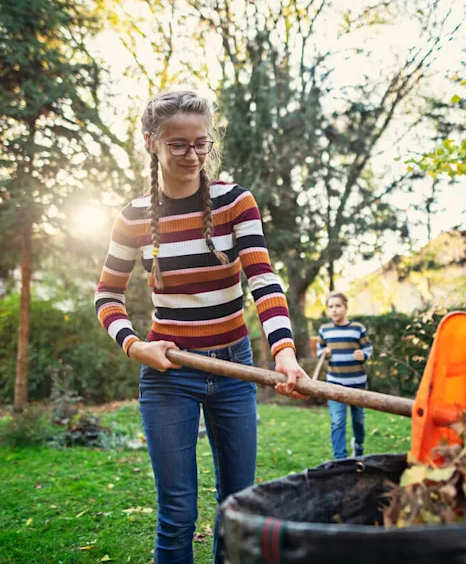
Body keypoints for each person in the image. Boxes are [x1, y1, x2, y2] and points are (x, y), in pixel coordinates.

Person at [94, 89, 308, 564]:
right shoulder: (132, 217)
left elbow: (263, 280)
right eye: (178, 144)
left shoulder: (236, 202)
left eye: (201, 143)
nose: (192, 155)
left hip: (235, 369)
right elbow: (106, 295)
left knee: (237, 507)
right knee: (176, 513)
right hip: (169, 374)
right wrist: (133, 347)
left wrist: (285, 352)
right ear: (152, 142)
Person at [316, 292, 373, 459]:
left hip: (357, 383)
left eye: (338, 306)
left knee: (359, 419)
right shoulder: (324, 330)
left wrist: (364, 355)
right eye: (330, 307)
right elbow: (320, 350)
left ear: (346, 308)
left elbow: (368, 348)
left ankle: (359, 444)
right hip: (334, 383)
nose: (334, 310)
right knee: (337, 421)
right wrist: (324, 353)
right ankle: (340, 459)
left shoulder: (357, 328)